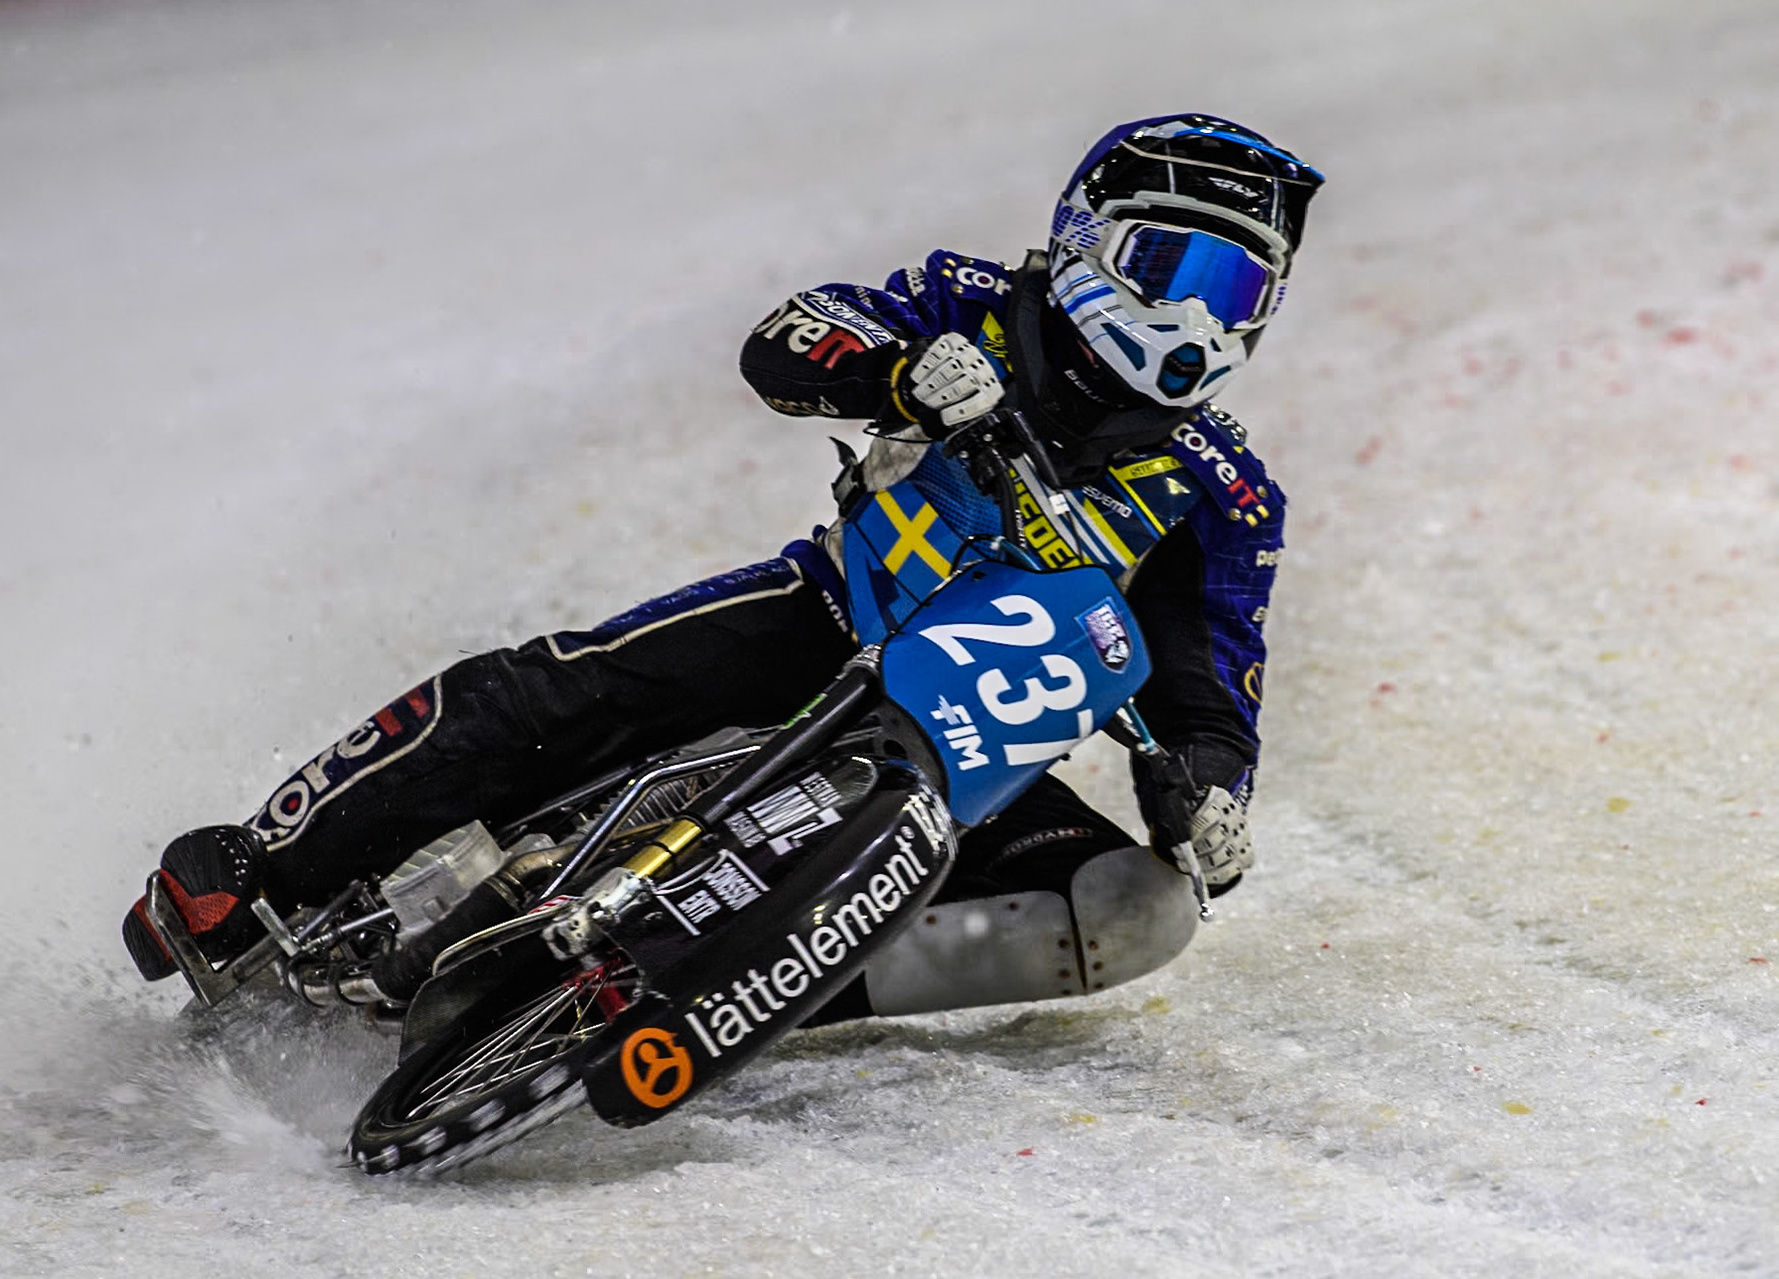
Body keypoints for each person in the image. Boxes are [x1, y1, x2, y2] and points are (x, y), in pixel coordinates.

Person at [123, 114, 1323, 1019]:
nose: (1198, 322)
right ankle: (256, 864)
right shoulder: (975, 306)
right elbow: (790, 338)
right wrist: (898, 373)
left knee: (1133, 911)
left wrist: (1210, 796)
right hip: (825, 621)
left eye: (1236, 291)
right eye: (1176, 271)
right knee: (563, 687)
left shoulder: (1227, 494)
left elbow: (1210, 691)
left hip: (974, 759)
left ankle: (761, 999)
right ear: (1083, 245)